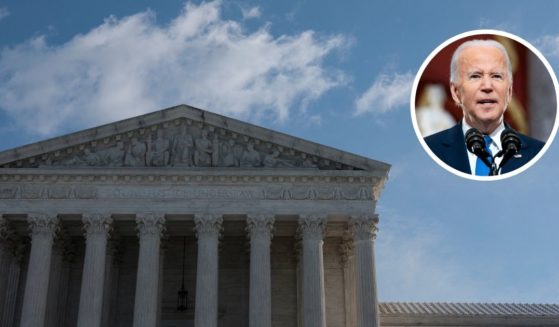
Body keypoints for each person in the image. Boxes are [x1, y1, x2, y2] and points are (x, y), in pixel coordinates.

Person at [424, 39, 544, 176]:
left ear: (509, 91)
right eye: (475, 76)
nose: (487, 86)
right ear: (456, 92)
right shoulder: (429, 150)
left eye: (496, 76)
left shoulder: (538, 154)